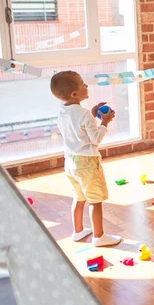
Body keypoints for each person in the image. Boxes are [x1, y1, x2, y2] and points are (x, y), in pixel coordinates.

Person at [50, 71, 122, 247]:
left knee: (79, 197)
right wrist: (105, 122)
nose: (86, 86)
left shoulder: (62, 111)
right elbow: (95, 139)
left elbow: (78, 127)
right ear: (74, 94)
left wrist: (91, 114)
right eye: (83, 84)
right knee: (95, 200)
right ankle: (99, 237)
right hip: (87, 163)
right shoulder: (85, 115)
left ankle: (77, 231)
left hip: (70, 161)